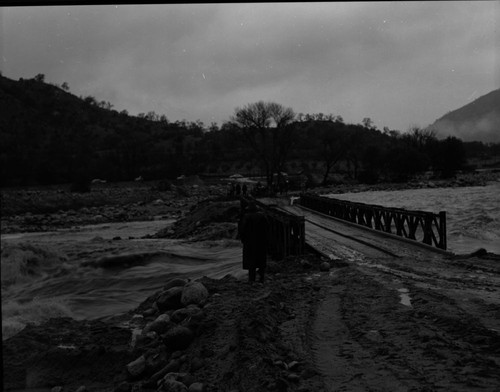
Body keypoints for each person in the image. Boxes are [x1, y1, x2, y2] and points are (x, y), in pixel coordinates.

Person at [239, 201, 269, 283]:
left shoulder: (246, 217)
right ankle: (262, 278)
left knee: (251, 262)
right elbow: (267, 228)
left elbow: (242, 229)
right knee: (261, 260)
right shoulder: (262, 216)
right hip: (261, 241)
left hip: (250, 242)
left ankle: (251, 279)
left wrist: (243, 239)